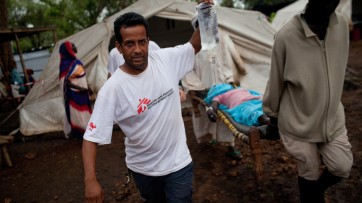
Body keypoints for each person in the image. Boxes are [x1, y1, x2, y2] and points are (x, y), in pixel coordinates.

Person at [82, 0, 210, 201]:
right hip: (143, 169)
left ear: (148, 40)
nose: (138, 49)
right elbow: (91, 137)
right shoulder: (113, 88)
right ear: (119, 47)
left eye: (142, 42)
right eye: (130, 44)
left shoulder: (165, 60)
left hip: (178, 163)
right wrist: (90, 181)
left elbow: (195, 45)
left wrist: (206, 12)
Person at [262, 0, 353, 202]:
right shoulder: (286, 36)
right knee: (309, 171)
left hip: (332, 120)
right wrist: (272, 117)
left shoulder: (341, 27)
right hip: (298, 121)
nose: (331, 4)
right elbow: (275, 80)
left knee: (342, 166)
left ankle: (315, 192)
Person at [182, 17, 243, 159]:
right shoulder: (191, 47)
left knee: (227, 118)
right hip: (204, 90)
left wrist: (229, 80)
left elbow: (227, 63)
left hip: (222, 88)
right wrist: (197, 87)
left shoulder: (219, 41)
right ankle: (211, 138)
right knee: (207, 117)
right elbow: (187, 70)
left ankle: (230, 146)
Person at [59, 41, 92, 139]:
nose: (75, 47)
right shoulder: (65, 65)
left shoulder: (76, 62)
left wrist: (87, 87)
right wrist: (80, 88)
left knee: (85, 112)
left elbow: (82, 77)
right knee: (77, 114)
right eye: (72, 46)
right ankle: (81, 133)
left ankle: (87, 131)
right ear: (67, 50)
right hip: (74, 94)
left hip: (83, 93)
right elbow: (65, 83)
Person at [204, 83, 270, 127]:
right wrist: (210, 110)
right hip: (242, 106)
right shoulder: (219, 96)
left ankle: (270, 116)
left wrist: (261, 97)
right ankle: (266, 120)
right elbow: (214, 105)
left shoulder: (239, 88)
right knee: (250, 112)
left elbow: (255, 93)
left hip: (255, 101)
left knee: (264, 106)